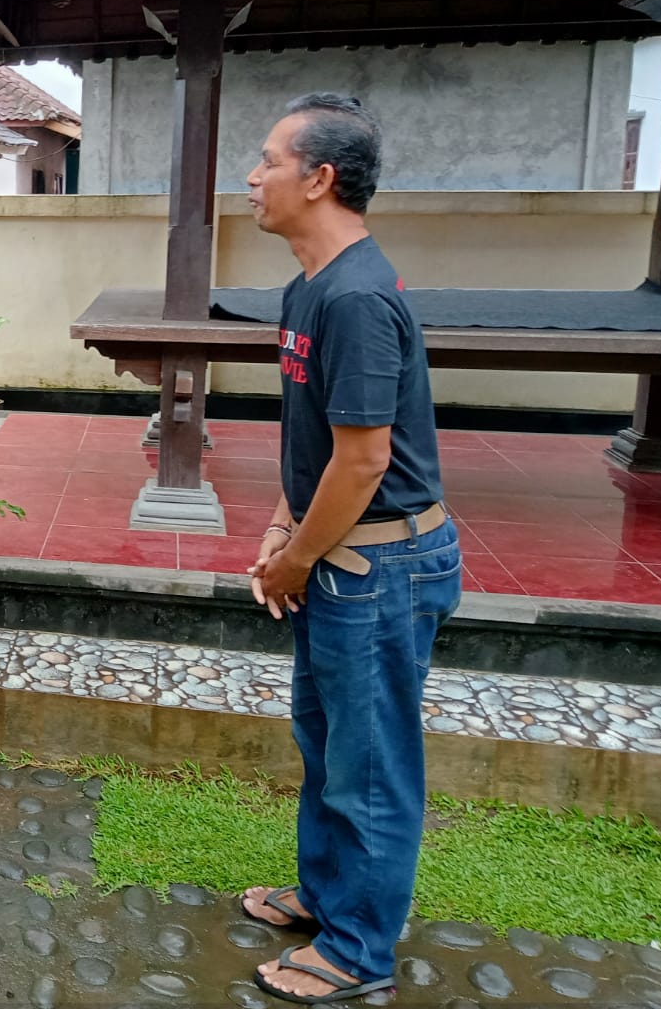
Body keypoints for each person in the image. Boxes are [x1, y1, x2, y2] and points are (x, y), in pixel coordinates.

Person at [243, 93, 462, 1005]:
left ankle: (359, 950)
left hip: (379, 567)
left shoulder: (358, 297)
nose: (252, 177)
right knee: (329, 744)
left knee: (370, 767)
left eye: (268, 160)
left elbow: (367, 459)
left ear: (319, 178)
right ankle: (328, 898)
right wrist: (282, 529)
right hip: (337, 554)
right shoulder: (310, 287)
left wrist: (297, 559)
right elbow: (317, 438)